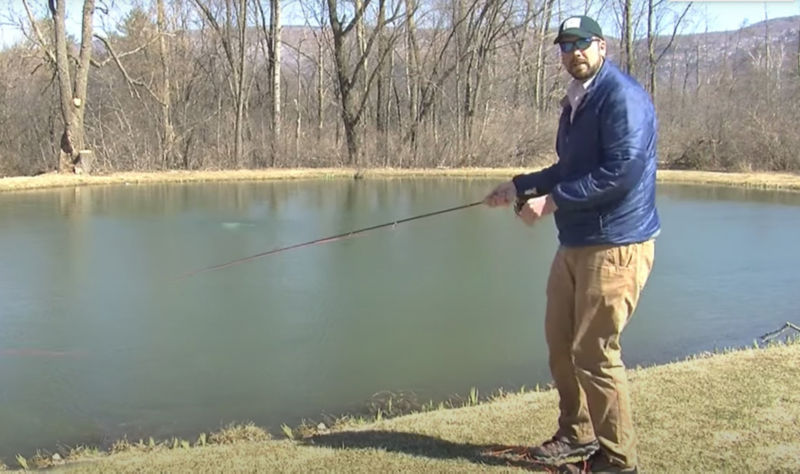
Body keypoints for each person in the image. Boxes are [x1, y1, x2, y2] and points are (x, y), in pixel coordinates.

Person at [484, 15, 660, 474]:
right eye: (565, 46)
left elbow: (621, 174)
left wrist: (552, 203)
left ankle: (618, 460)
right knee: (560, 344)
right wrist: (519, 186)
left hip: (617, 243)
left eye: (582, 43)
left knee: (595, 353)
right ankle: (576, 431)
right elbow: (569, 168)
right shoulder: (576, 102)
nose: (573, 52)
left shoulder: (621, 97)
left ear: (601, 46)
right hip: (576, 242)